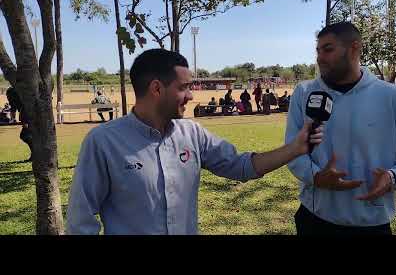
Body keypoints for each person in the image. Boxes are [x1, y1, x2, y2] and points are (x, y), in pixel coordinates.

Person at [66, 49, 322, 235]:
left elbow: (242, 166)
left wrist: (295, 148)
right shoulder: (103, 142)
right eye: (184, 87)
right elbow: (81, 221)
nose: (191, 95)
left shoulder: (192, 134)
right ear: (156, 89)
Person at [286, 22, 396, 236]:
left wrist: (393, 177)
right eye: (318, 50)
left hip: (371, 224)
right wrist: (316, 176)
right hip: (314, 219)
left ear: (354, 48)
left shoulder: (394, 97)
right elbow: (291, 152)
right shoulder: (304, 92)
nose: (319, 58)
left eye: (328, 49)